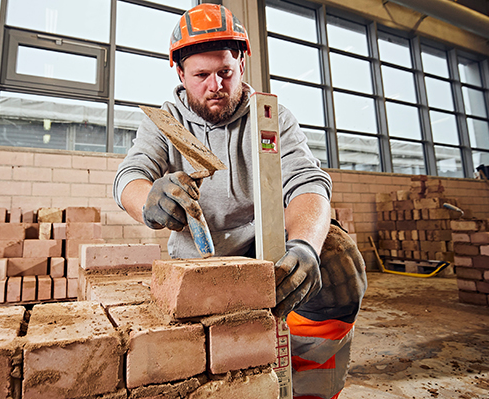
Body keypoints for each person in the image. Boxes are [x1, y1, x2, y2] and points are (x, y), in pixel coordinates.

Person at [113, 4, 366, 399]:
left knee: (339, 260)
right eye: (201, 75)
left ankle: (308, 385)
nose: (215, 85)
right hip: (197, 262)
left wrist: (305, 246)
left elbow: (308, 183)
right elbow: (130, 177)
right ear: (180, 74)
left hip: (267, 254)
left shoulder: (271, 117)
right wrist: (149, 199)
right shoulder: (164, 121)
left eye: (225, 72)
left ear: (241, 65)